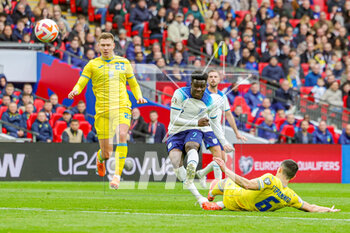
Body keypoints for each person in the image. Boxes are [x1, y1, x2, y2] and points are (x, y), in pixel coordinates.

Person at [68, 32, 147, 189]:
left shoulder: (124, 63)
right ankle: (100, 159)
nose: (105, 48)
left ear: (113, 46)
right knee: (106, 153)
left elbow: (134, 84)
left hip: (122, 106)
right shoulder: (92, 64)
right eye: (102, 45)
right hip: (103, 111)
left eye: (108, 45)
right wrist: (75, 90)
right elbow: (81, 81)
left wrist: (139, 96)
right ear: (98, 46)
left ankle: (116, 176)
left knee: (123, 135)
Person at [167, 71, 234, 205]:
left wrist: (224, 142)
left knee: (192, 146)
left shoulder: (210, 101)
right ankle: (199, 197)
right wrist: (196, 122)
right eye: (196, 86)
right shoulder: (180, 94)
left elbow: (215, 124)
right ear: (191, 84)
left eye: (202, 87)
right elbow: (174, 120)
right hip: (175, 132)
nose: (199, 89)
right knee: (177, 165)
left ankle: (192, 166)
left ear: (205, 86)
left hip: (194, 130)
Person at [201, 157, 340, 213]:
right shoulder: (291, 196)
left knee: (228, 181)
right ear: (294, 177)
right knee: (253, 194)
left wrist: (225, 169)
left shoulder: (271, 179)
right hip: (244, 209)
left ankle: (212, 193)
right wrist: (328, 209)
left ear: (279, 169)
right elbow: (310, 207)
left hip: (234, 199)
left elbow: (247, 184)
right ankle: (219, 205)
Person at [196, 69, 247, 188]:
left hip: (217, 129)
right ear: (207, 79)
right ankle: (217, 186)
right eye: (211, 77)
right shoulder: (203, 95)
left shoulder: (222, 96)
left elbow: (228, 114)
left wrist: (237, 133)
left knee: (222, 159)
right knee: (218, 157)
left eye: (215, 76)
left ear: (219, 79)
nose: (213, 79)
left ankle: (202, 173)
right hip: (206, 129)